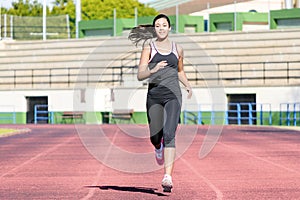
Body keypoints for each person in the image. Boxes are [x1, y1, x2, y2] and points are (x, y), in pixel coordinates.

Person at [128, 14, 192, 192]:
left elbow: (180, 71)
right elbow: (140, 74)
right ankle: (158, 146)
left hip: (173, 96)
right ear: (154, 29)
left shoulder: (178, 49)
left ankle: (167, 177)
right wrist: (153, 69)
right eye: (158, 25)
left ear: (170, 28)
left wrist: (188, 85)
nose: (161, 28)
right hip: (154, 96)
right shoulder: (149, 48)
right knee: (156, 136)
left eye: (164, 25)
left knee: (170, 133)